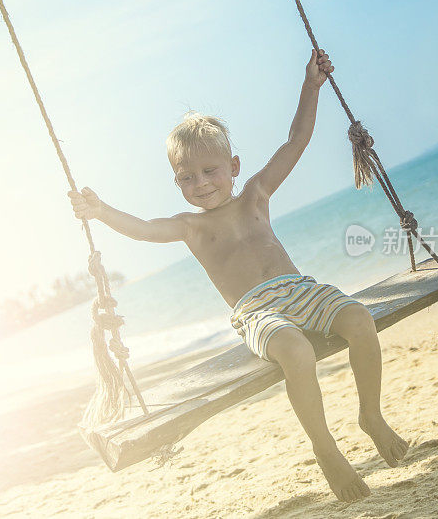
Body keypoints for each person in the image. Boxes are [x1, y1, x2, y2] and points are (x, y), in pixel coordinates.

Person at [68, 49, 408, 502]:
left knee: (360, 321)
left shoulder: (256, 195)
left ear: (234, 168)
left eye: (210, 171)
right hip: (256, 311)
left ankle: (371, 415)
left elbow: (296, 141)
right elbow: (145, 231)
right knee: (294, 349)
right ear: (177, 184)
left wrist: (311, 85)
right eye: (187, 177)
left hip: (302, 290)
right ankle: (325, 447)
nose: (201, 182)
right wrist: (101, 211)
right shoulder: (190, 227)